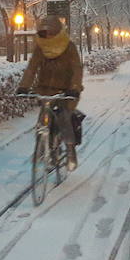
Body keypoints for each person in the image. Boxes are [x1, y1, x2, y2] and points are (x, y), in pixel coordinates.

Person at [16, 16, 84, 170]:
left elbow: (76, 69)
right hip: (45, 91)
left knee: (64, 119)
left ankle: (70, 150)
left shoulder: (69, 47)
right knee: (42, 122)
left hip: (66, 92)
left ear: (58, 32)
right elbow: (31, 68)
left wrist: (74, 88)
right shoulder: (40, 48)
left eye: (51, 32)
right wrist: (23, 86)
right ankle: (43, 149)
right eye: (45, 32)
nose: (48, 35)